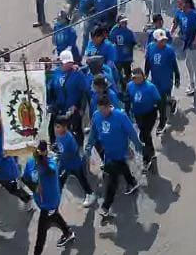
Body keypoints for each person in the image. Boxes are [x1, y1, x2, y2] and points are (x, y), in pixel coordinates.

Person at [83, 95, 142, 223]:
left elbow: (131, 131)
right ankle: (132, 182)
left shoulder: (120, 116)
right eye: (100, 109)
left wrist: (137, 145)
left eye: (104, 109)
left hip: (120, 151)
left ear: (109, 106)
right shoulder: (97, 116)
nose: (102, 112)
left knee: (112, 181)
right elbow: (93, 134)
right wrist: (88, 147)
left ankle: (105, 207)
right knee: (121, 167)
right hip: (108, 153)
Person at [23, 142, 75, 255]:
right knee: (55, 217)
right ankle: (68, 233)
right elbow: (25, 178)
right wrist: (34, 187)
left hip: (49, 203)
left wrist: (41, 161)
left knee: (42, 231)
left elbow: (48, 170)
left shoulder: (50, 166)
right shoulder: (31, 163)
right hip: (42, 202)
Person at [0, 116, 33, 236]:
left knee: (12, 189)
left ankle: (27, 197)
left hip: (4, 171)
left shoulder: (4, 142)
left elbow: (1, 162)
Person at [47, 49, 92, 144]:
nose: (67, 64)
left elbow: (85, 90)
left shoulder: (78, 74)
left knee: (75, 133)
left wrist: (79, 108)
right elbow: (51, 89)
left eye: (70, 62)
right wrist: (51, 104)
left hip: (73, 110)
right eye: (65, 63)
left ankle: (79, 151)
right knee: (52, 130)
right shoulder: (56, 73)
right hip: (59, 109)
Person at [126, 67, 162, 171]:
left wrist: (162, 118)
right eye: (134, 78)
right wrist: (127, 111)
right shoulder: (130, 86)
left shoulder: (150, 87)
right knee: (144, 135)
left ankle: (146, 159)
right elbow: (128, 99)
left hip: (150, 114)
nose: (136, 80)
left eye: (138, 77)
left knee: (145, 134)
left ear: (143, 76)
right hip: (138, 115)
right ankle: (151, 151)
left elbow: (159, 102)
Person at [54, 117, 95, 207]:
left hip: (74, 165)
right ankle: (55, 201)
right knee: (60, 181)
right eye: (55, 127)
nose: (56, 129)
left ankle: (90, 194)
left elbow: (73, 151)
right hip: (64, 164)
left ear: (65, 127)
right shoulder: (58, 135)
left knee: (82, 180)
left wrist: (59, 155)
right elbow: (59, 146)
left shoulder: (69, 138)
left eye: (58, 127)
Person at [172, 0, 196, 94]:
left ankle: (192, 84)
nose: (179, 5)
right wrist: (170, 32)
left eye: (181, 3)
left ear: (187, 4)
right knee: (192, 61)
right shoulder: (179, 12)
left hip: (192, 40)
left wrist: (195, 41)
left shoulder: (194, 14)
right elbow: (175, 23)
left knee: (188, 62)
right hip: (185, 40)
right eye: (178, 3)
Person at [109, 15, 137, 86]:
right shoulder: (114, 31)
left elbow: (134, 42)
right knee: (118, 74)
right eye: (122, 22)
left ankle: (127, 88)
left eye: (125, 22)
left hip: (127, 57)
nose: (124, 23)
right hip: (118, 57)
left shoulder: (129, 32)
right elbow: (111, 40)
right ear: (118, 23)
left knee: (128, 74)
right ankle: (120, 87)